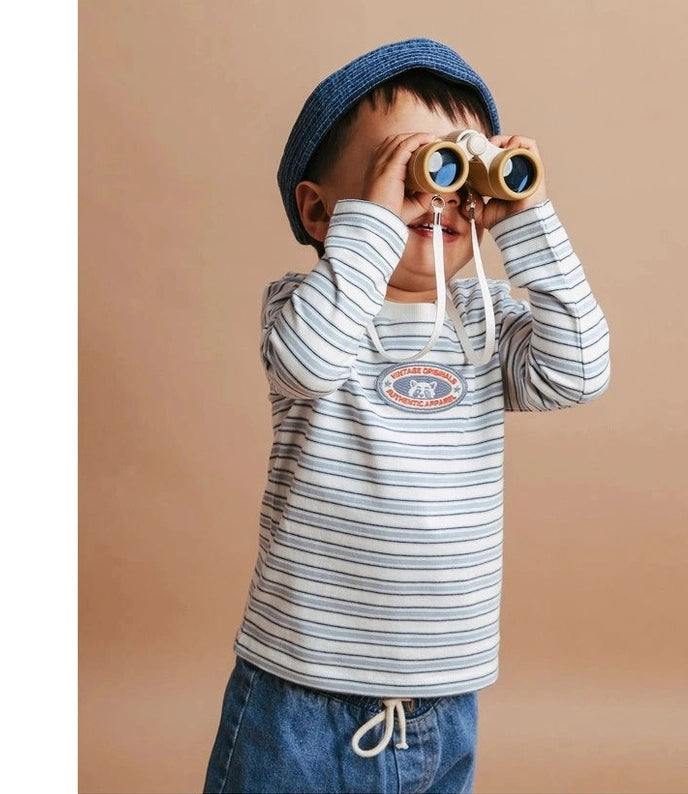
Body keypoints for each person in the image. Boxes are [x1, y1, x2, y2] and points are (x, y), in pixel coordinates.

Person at [203, 37, 610, 794]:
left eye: (458, 173)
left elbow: (579, 373)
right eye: (410, 171)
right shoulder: (305, 312)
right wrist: (375, 225)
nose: (438, 197)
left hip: (445, 695)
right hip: (301, 690)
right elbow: (307, 362)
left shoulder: (486, 320)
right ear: (319, 210)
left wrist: (526, 220)